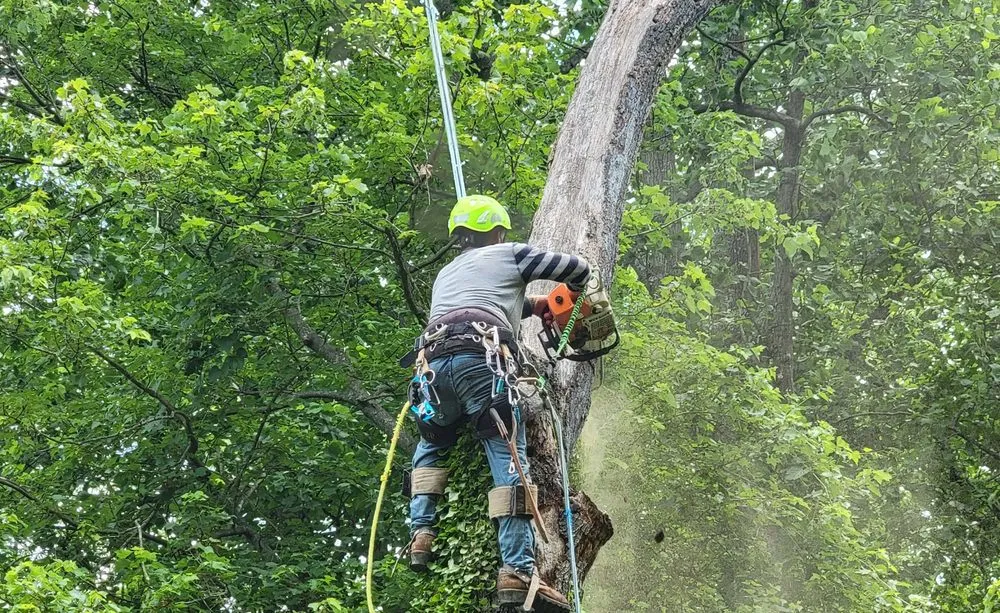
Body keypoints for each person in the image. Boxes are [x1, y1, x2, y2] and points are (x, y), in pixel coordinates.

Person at [405, 194, 590, 612]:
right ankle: (517, 572)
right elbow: (578, 268)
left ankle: (420, 532)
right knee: (508, 457)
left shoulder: (447, 274)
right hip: (481, 363)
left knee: (431, 447)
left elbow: (487, 301)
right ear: (498, 230)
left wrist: (537, 306)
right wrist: (573, 296)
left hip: (432, 368)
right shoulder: (511, 253)